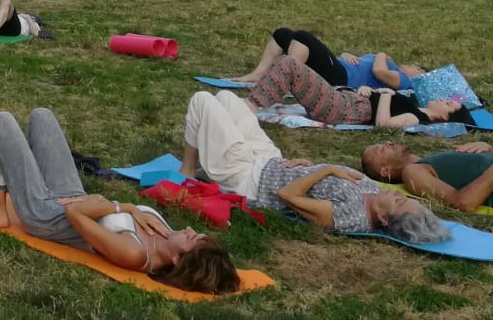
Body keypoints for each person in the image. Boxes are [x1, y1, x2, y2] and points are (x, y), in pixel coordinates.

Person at [0, 108, 240, 294]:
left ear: (176, 261)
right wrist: (106, 203)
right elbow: (90, 206)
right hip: (75, 196)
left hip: (45, 215)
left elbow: (75, 216)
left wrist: (121, 206)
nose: (188, 230)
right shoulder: (166, 236)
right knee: (41, 116)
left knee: (2, 121)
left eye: (190, 238)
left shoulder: (135, 254)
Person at [181, 89, 450, 242]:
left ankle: (188, 172)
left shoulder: (351, 217)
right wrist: (309, 166)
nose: (396, 194)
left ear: (382, 218)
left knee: (202, 100)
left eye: (399, 202)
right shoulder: (373, 191)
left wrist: (324, 170)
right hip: (272, 161)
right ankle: (205, 167)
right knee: (227, 98)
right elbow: (316, 181)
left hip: (249, 178)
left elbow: (286, 196)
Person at [245, 55, 470, 129]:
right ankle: (252, 104)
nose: (443, 100)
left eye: (449, 104)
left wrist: (384, 95)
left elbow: (383, 124)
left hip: (344, 110)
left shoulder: (416, 117)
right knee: (290, 66)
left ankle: (250, 107)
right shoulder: (413, 105)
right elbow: (380, 99)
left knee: (289, 66)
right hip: (348, 99)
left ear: (444, 117)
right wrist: (369, 90)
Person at [232, 27, 424, 90]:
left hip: (341, 79)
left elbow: (378, 71)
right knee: (283, 34)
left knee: (302, 37)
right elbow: (360, 64)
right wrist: (346, 55)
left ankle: (283, 78)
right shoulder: (386, 63)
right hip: (338, 67)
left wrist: (381, 54)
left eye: (418, 68)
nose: (413, 66)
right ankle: (259, 74)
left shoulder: (404, 80)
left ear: (419, 76)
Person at [362, 140, 493, 213]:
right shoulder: (412, 172)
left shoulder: (430, 161)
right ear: (385, 171)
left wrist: (487, 147)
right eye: (381, 149)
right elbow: (463, 203)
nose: (388, 142)